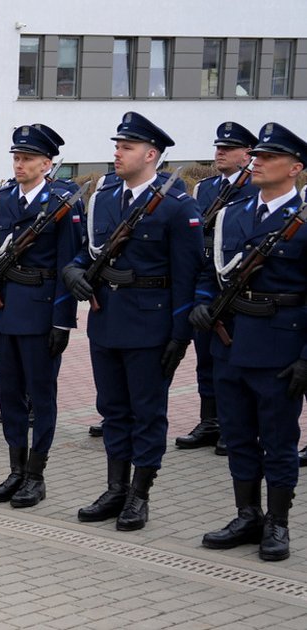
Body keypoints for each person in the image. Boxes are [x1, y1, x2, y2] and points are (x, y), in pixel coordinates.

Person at [63, 112, 203, 531]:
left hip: (150, 325)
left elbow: (187, 275)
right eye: (117, 146)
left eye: (126, 147)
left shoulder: (177, 206)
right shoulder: (105, 197)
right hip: (106, 320)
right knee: (112, 409)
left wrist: (180, 336)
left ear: (151, 155)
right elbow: (88, 251)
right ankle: (115, 489)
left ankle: (139, 496)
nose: (117, 153)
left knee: (147, 413)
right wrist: (73, 271)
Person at [191, 122, 307, 561]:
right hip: (230, 341)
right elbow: (211, 272)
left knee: (278, 440)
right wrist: (202, 302)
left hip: (279, 346)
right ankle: (247, 515)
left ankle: (278, 523)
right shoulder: (232, 214)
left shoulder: (302, 220)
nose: (257, 162)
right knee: (238, 436)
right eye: (256, 155)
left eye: (269, 157)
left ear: (294, 168)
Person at [0, 125, 82, 507]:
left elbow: (68, 264)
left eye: (27, 159)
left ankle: (36, 475)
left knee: (42, 396)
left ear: (46, 164)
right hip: (4, 310)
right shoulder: (2, 199)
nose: (19, 164)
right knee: (9, 396)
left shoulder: (62, 203)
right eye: (16, 158)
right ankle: (15, 470)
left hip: (40, 312)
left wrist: (61, 321)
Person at [175, 122, 259, 455]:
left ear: (247, 154)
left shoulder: (255, 188)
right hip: (207, 278)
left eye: (228, 148)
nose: (220, 152)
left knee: (234, 362)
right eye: (218, 147)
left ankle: (233, 425)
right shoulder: (205, 189)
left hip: (238, 280)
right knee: (206, 358)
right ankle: (209, 421)